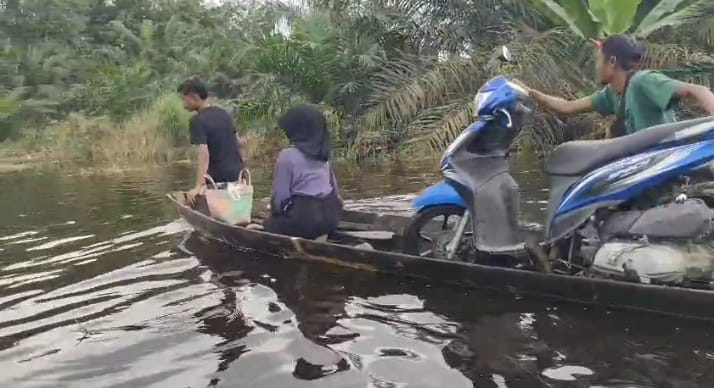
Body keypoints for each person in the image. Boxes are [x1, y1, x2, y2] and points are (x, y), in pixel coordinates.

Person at [521, 35, 714, 138]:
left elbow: (699, 90)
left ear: (612, 61)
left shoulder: (643, 81)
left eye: (599, 60)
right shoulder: (611, 94)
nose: (596, 67)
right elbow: (567, 107)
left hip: (665, 163)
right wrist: (529, 92)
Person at [264, 104, 342, 239]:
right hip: (331, 217)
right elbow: (335, 192)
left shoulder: (287, 156)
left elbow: (279, 200)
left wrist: (274, 216)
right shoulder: (323, 155)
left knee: (270, 224)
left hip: (305, 219)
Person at [178, 77, 247, 204]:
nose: (183, 104)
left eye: (184, 99)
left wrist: (199, 185)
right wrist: (243, 174)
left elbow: (204, 155)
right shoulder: (223, 113)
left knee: (189, 198)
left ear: (194, 97)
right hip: (237, 177)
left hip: (218, 181)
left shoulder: (197, 121)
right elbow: (239, 143)